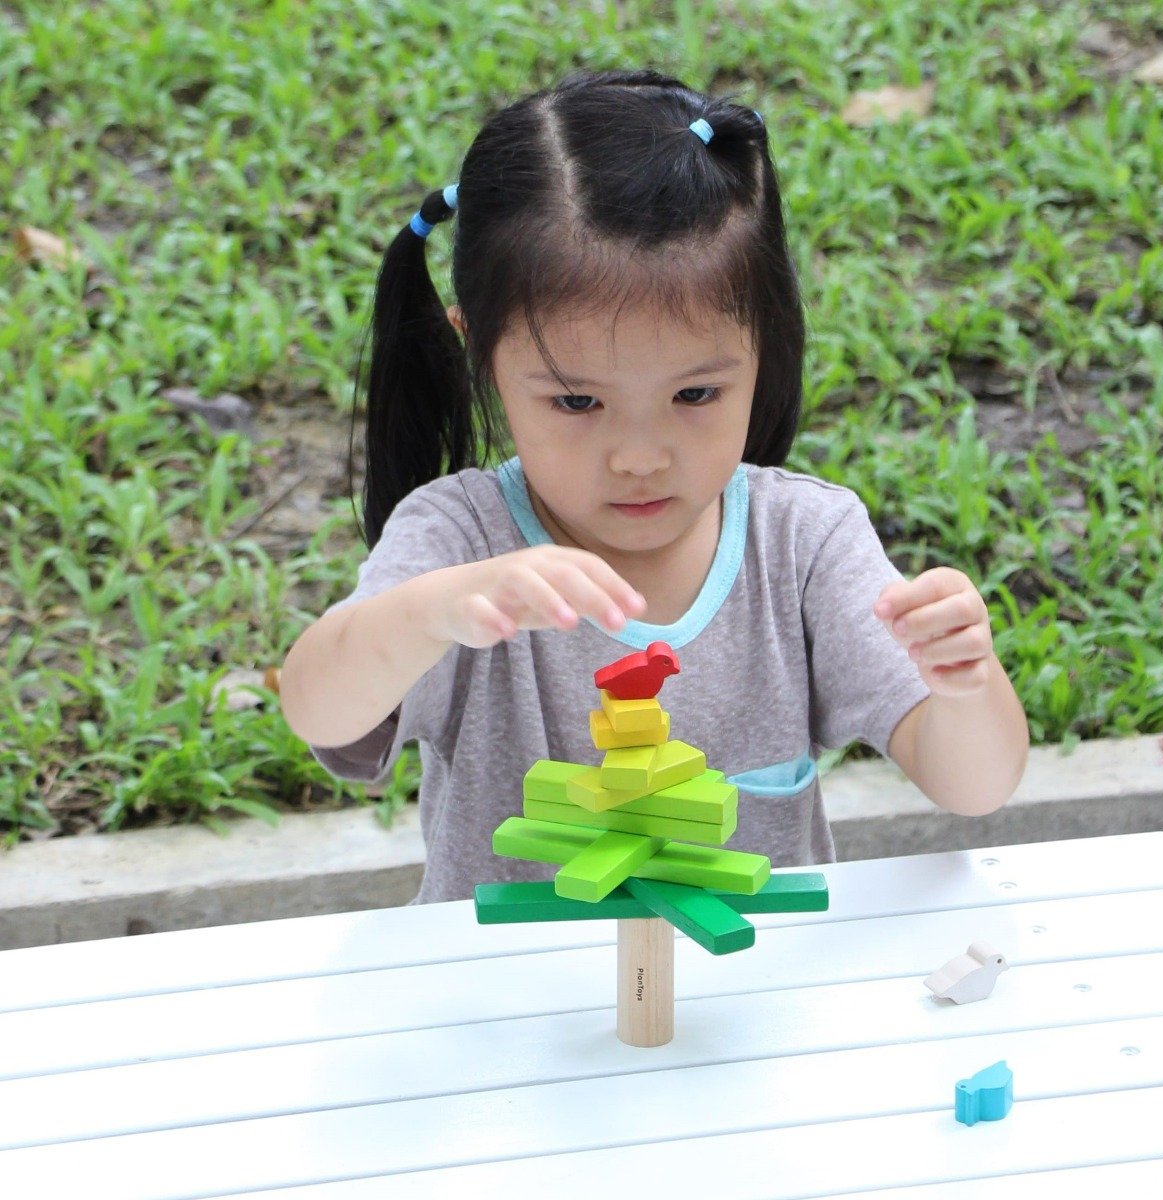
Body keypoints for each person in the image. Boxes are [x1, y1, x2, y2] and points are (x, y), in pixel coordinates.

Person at [280, 70, 1029, 904]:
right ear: (478, 351)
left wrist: (966, 681)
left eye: (695, 395)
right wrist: (433, 609)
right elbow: (319, 711)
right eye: (576, 401)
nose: (639, 456)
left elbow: (975, 787)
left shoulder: (804, 544)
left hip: (755, 1000)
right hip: (508, 1009)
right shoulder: (460, 542)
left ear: (763, 345)